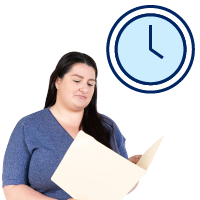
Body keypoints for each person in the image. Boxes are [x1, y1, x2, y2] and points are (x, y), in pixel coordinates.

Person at [2, 51, 142, 200]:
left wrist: (132, 172)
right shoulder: (28, 126)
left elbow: (122, 187)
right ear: (58, 82)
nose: (84, 88)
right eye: (77, 81)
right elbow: (12, 187)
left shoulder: (107, 127)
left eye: (90, 83)